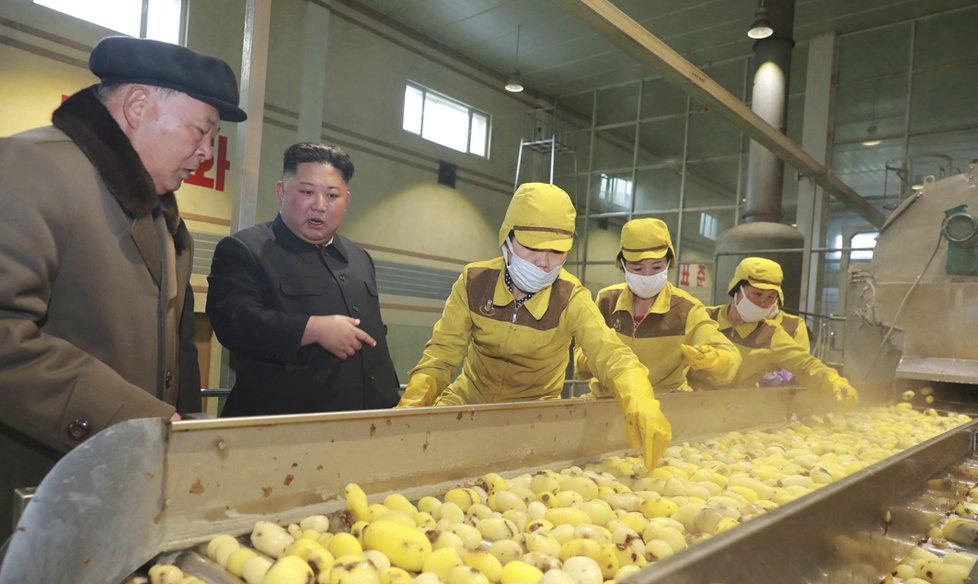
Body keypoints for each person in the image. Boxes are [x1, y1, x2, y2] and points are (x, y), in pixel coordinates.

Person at [0, 36, 246, 538]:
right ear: (137, 106)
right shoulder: (29, 168)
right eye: (202, 131)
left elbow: (178, 348)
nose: (205, 152)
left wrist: (186, 439)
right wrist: (134, 422)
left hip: (126, 492)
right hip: (36, 496)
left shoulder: (161, 214)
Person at [397, 183, 672, 469]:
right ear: (508, 237)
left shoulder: (571, 297)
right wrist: (413, 403)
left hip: (533, 417)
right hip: (467, 403)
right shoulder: (475, 282)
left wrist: (639, 396)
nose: (543, 262)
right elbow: (442, 354)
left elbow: (610, 354)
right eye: (531, 247)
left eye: (557, 251)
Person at [206, 143, 399, 416]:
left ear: (347, 200)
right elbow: (234, 323)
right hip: (285, 428)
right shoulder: (245, 249)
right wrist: (312, 329)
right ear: (281, 192)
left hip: (367, 422)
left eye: (332, 195)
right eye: (307, 192)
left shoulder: (359, 258)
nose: (319, 206)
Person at [574, 219, 740, 393]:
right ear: (623, 265)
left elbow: (730, 356)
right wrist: (593, 360)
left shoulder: (686, 309)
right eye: (637, 269)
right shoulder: (606, 301)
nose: (647, 276)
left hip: (665, 405)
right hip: (609, 402)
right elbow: (581, 352)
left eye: (656, 267)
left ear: (668, 263)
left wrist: (715, 360)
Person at [699, 257, 859, 405]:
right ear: (737, 290)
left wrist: (832, 380)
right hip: (688, 400)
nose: (763, 301)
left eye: (770, 296)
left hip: (736, 406)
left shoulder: (771, 334)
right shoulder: (703, 317)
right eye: (757, 293)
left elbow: (805, 365)